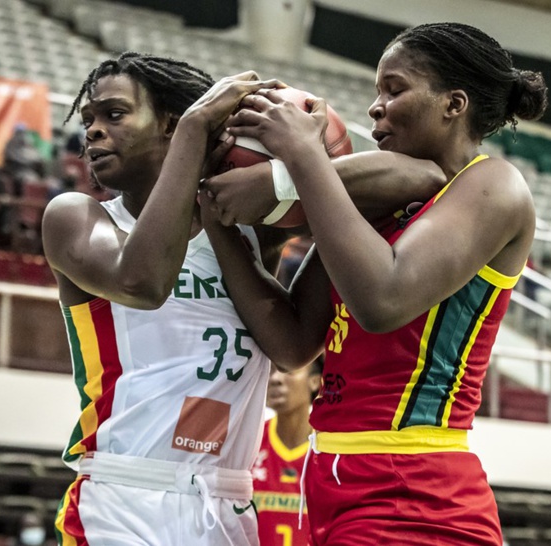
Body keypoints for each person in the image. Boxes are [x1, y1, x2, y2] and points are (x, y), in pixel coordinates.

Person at [44, 52, 444, 545]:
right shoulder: (79, 219)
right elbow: (142, 282)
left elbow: (422, 176)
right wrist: (196, 130)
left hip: (228, 503)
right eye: (89, 120)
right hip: (126, 492)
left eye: (113, 113)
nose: (93, 131)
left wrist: (294, 167)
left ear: (167, 122)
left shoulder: (242, 229)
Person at [198, 22, 548, 544]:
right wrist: (215, 215)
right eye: (376, 90)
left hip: (415, 487)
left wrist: (299, 159)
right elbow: (294, 343)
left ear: (454, 104)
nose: (375, 106)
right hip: (330, 480)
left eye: (395, 88)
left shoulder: (496, 185)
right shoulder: (377, 208)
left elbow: (383, 301)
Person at [253, 357, 322, 546]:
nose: (276, 379)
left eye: (288, 371)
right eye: (271, 371)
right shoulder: (251, 442)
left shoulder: (329, 450)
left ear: (315, 381)